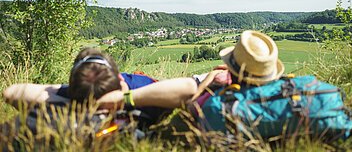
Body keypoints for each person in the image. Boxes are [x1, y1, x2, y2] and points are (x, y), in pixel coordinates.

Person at [3, 47, 205, 128]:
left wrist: (64, 92)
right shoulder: (144, 90)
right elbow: (189, 86)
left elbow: (12, 93)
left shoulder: (139, 89)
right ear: (119, 77)